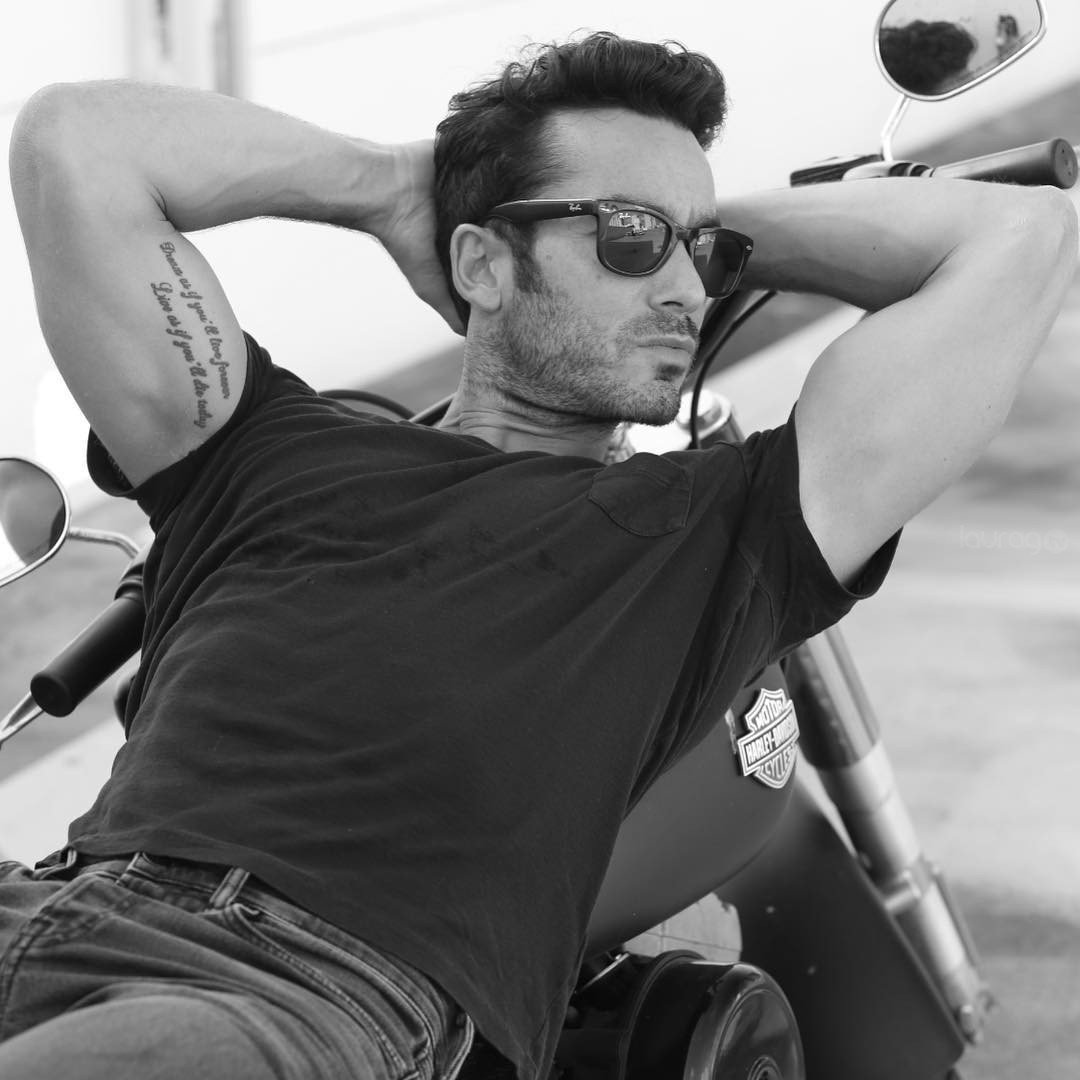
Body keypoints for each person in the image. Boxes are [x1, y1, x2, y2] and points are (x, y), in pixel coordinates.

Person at [5, 30, 1076, 1080]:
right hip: (49, 895)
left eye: (702, 256)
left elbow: (1022, 241)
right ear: (480, 260)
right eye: (628, 237)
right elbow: (73, 142)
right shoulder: (260, 446)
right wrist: (391, 187)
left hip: (301, 992)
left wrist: (704, 226)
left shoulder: (720, 534)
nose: (688, 291)